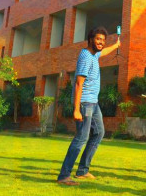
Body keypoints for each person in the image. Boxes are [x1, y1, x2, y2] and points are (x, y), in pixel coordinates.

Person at [57, 27, 121, 186]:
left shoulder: (94, 55)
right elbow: (79, 84)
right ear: (91, 39)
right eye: (98, 39)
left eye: (103, 40)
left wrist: (116, 45)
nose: (101, 43)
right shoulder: (85, 56)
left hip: (93, 102)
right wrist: (77, 109)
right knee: (81, 137)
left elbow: (103, 52)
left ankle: (82, 171)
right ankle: (64, 175)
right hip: (85, 103)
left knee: (99, 132)